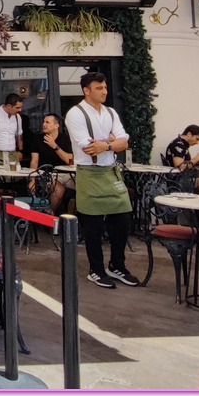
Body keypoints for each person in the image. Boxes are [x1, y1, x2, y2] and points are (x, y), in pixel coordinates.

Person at [63, 72, 136, 290]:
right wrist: (112, 141)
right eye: (99, 88)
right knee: (92, 225)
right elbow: (88, 146)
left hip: (110, 171)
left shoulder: (111, 113)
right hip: (88, 171)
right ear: (86, 90)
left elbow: (125, 140)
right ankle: (96, 269)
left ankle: (117, 265)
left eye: (105, 87)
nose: (104, 91)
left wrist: (108, 144)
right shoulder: (75, 114)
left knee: (122, 218)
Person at [29, 113, 74, 213]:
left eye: (47, 122)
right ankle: (50, 216)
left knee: (84, 188)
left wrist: (55, 146)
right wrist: (32, 179)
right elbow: (34, 161)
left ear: (56, 126)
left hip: (68, 175)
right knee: (58, 190)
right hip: (48, 174)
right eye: (44, 122)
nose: (44, 124)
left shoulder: (65, 139)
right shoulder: (38, 139)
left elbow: (70, 161)